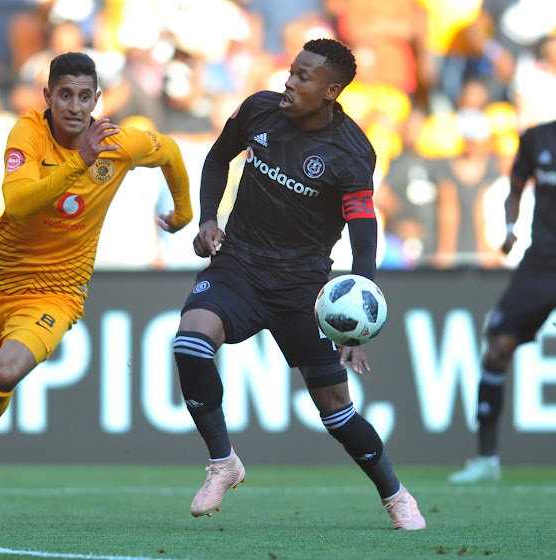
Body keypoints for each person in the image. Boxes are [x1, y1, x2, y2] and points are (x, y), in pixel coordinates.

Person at [0, 51, 193, 520]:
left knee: (5, 372)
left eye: (85, 96)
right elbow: (18, 204)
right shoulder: (26, 133)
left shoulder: (119, 143)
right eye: (66, 95)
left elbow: (170, 152)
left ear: (97, 99)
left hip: (58, 290)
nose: (75, 106)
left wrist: (184, 212)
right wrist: (79, 164)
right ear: (48, 96)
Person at [172, 38, 426, 530]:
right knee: (190, 343)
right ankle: (223, 462)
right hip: (238, 266)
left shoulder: (351, 154)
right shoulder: (258, 111)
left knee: (336, 411)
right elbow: (216, 159)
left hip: (302, 288)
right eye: (291, 71)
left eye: (303, 78)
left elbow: (364, 230)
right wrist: (206, 219)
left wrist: (362, 309)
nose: (289, 82)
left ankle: (395, 496)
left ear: (331, 90)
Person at [449, 118, 556, 484]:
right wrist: (510, 230)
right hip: (542, 262)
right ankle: (486, 460)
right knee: (497, 346)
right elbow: (515, 189)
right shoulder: (536, 138)